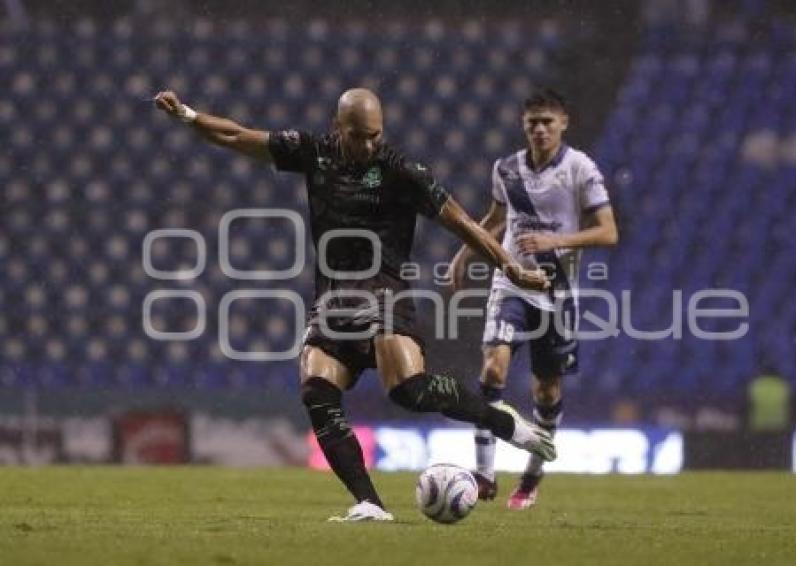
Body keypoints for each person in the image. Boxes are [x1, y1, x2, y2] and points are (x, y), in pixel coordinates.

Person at [153, 87, 556, 521]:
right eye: (359, 136)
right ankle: (370, 503)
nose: (368, 145)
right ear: (337, 128)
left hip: (384, 291)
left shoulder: (401, 171)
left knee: (408, 390)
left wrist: (510, 266)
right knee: (316, 390)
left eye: (375, 136)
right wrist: (189, 116)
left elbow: (460, 221)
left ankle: (503, 423)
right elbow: (236, 135)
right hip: (332, 299)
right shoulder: (313, 153)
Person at [448, 89, 618, 510]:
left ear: (564, 123)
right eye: (532, 123)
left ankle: (531, 476)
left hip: (557, 293)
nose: (540, 129)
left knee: (545, 392)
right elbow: (494, 219)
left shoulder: (581, 168)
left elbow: (608, 232)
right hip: (511, 286)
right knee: (493, 366)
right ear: (524, 127)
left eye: (547, 121)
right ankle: (484, 474)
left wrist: (556, 239)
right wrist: (463, 254)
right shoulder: (505, 169)